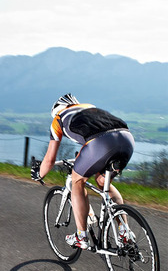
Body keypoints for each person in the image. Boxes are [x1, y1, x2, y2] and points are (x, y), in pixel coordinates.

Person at [31, 93, 135, 249]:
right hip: (126, 139)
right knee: (102, 181)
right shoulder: (89, 107)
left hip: (101, 143)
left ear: (57, 110)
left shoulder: (58, 119)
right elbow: (89, 139)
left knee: (77, 181)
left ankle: (81, 236)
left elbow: (49, 160)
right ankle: (124, 231)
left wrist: (39, 173)